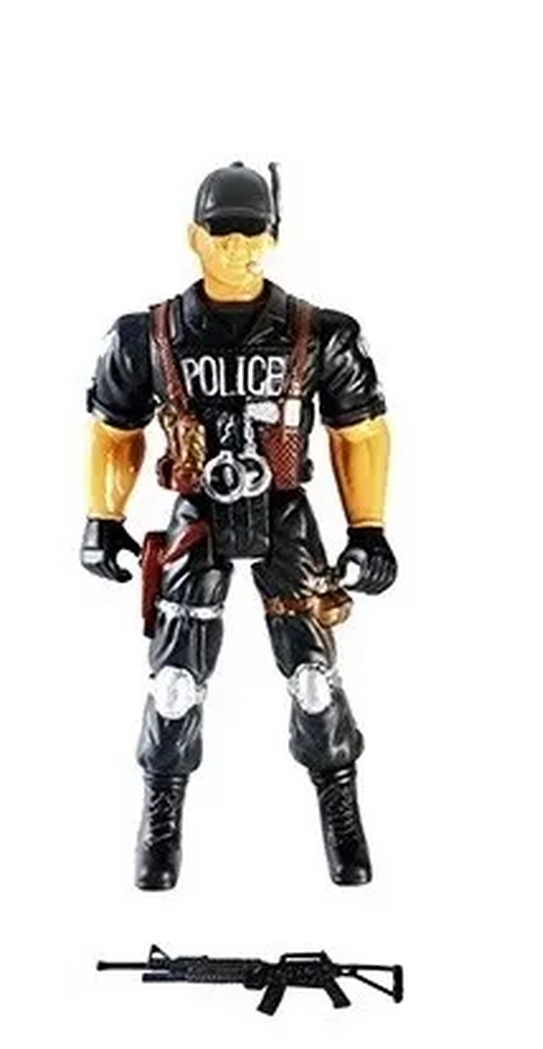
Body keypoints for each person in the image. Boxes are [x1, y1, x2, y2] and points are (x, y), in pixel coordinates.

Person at [80, 161, 398, 891]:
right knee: (174, 684)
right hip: (197, 516)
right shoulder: (148, 335)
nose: (238, 247)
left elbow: (361, 432)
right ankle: (161, 813)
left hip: (285, 512)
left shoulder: (320, 333)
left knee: (314, 680)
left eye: (253, 232)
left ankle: (339, 804)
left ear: (273, 236)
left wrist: (369, 528)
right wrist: (102, 516)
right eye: (222, 232)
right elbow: (113, 431)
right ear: (194, 236)